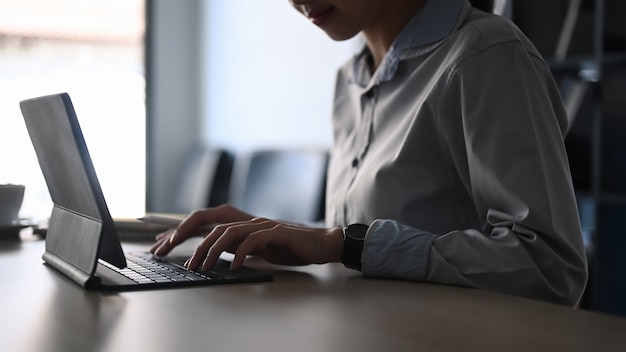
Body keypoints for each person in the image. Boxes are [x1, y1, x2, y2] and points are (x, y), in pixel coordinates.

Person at [151, 0, 588, 307]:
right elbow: (363, 245)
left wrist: (339, 243)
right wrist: (285, 236)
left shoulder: (485, 56)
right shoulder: (351, 79)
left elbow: (550, 268)